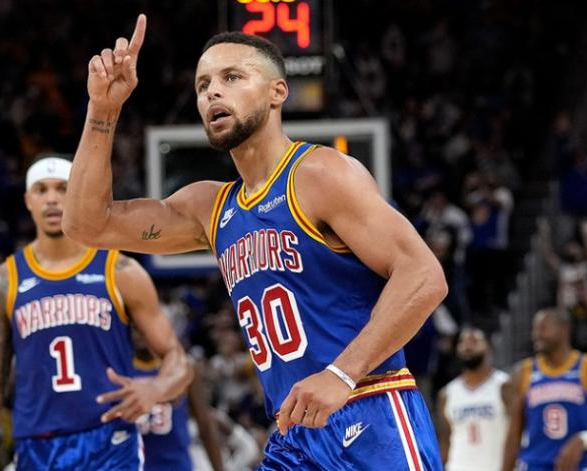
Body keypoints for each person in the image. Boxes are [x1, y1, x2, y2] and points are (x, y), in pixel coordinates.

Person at [63, 15, 449, 469]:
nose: (212, 92)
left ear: (276, 92)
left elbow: (424, 275)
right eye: (203, 84)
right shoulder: (210, 208)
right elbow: (88, 225)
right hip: (292, 432)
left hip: (368, 407)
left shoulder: (319, 174)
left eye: (231, 77)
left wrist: (341, 374)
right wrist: (103, 110)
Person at [0, 157, 192, 470]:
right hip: (38, 446)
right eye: (41, 189)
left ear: (79, 194)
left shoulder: (120, 271)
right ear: (28, 200)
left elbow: (178, 359)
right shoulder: (3, 282)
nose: (52, 199)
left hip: (110, 442)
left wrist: (157, 388)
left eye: (62, 189)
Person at [502, 308, 587, 471]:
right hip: (535, 464)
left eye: (543, 328)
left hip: (578, 465)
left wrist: (582, 440)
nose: (536, 334)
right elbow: (514, 434)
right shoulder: (522, 373)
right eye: (534, 329)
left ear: (564, 329)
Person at [130, 329, 224, 471]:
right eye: (135, 328)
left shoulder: (183, 367)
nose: (139, 333)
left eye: (142, 326)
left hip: (176, 465)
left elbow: (205, 425)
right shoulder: (117, 370)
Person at [437, 327, 511, 471]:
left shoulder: (504, 385)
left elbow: (517, 434)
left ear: (489, 348)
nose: (467, 346)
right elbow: (445, 441)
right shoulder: (447, 393)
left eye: (474, 341)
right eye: (462, 342)